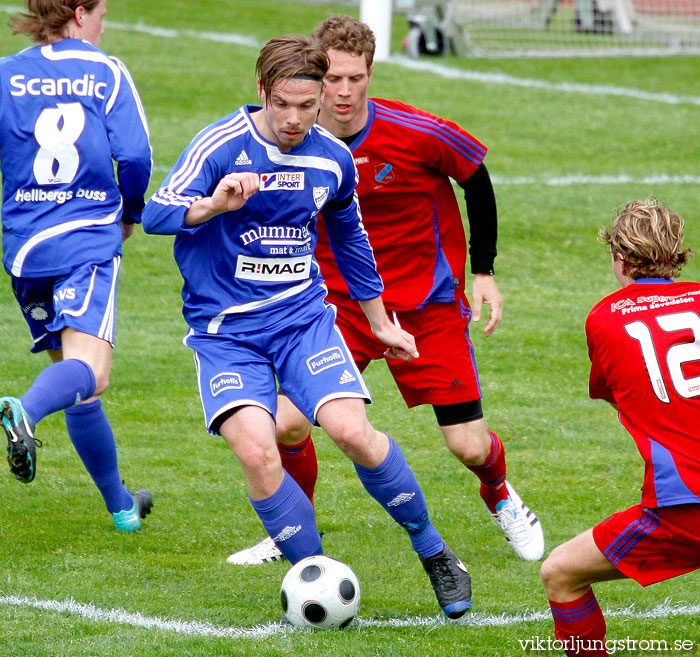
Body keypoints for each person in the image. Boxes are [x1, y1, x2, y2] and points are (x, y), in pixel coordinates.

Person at [141, 34, 472, 619]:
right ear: (261, 92)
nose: (295, 119)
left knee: (352, 432)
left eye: (307, 105)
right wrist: (215, 204)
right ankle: (312, 576)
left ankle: (436, 553)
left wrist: (380, 321)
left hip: (302, 321)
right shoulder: (222, 146)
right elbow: (157, 212)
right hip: (227, 331)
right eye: (284, 105)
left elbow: (351, 238)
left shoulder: (330, 156)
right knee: (258, 453)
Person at [228, 14, 544, 567]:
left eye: (357, 78)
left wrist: (485, 270)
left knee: (468, 445)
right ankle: (291, 533)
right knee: (285, 424)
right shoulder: (291, 140)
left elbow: (477, 176)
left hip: (425, 304)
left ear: (371, 73)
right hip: (336, 307)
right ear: (316, 75)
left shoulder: (417, 132)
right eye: (333, 80)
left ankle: (500, 493)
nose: (344, 92)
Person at [0, 0, 153, 531]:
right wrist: (128, 215)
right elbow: (135, 156)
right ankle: (24, 412)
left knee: (74, 382)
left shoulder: (7, 73)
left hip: (25, 247)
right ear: (81, 12)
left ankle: (120, 508)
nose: (105, 24)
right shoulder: (105, 70)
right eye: (103, 12)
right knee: (92, 370)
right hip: (86, 239)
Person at [540, 198, 700, 656]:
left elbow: (615, 392)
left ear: (620, 258)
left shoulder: (605, 319)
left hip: (684, 507)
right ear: (677, 254)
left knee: (561, 573)